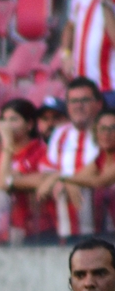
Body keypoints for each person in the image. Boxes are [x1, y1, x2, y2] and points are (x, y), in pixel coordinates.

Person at [0, 98, 52, 244]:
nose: (7, 125)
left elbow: (43, 177)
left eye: (14, 119)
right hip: (8, 228)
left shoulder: (40, 150)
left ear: (29, 124)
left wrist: (7, 181)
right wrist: (2, 185)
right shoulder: (0, 153)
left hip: (38, 228)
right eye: (4, 120)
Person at [37, 77, 103, 240]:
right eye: (73, 101)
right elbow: (47, 172)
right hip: (64, 228)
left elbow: (103, 172)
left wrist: (67, 179)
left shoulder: (107, 132)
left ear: (98, 104)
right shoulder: (60, 134)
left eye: (84, 100)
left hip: (103, 224)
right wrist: (62, 179)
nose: (78, 106)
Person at [61, 0, 115, 106]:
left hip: (110, 85)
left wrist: (106, 2)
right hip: (81, 83)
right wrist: (66, 55)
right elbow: (70, 27)